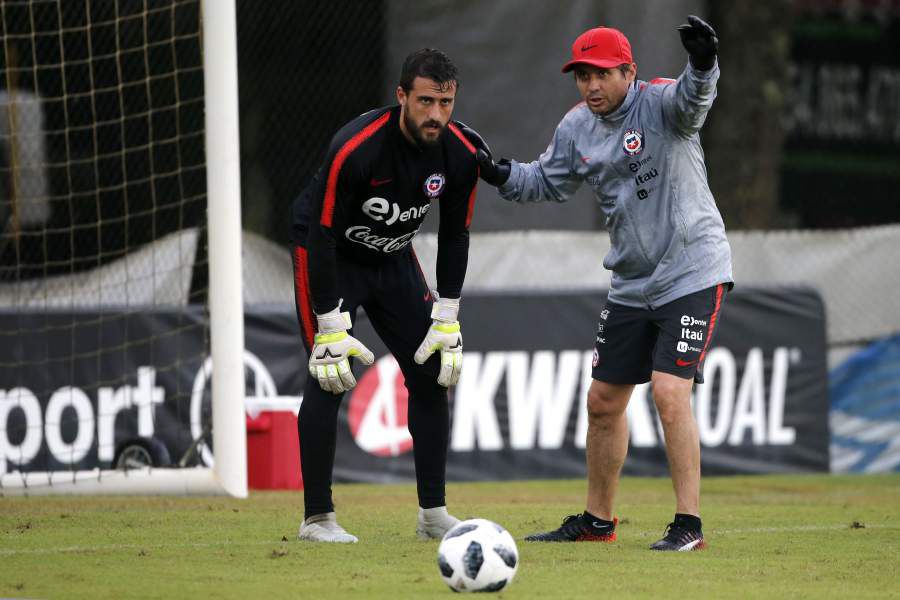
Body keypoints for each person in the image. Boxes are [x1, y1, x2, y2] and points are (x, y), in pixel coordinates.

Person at [467, 16, 733, 551]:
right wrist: (497, 172)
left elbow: (694, 102)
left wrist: (703, 64)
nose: (590, 85)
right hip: (633, 283)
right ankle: (598, 521)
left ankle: (689, 526)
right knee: (603, 401)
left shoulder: (659, 103)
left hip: (691, 270)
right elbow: (544, 181)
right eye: (581, 75)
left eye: (601, 74)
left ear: (628, 73)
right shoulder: (576, 128)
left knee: (668, 391)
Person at [290, 48, 481, 543]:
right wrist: (330, 322)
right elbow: (322, 233)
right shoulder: (356, 147)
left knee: (434, 371)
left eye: (445, 102)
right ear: (401, 97)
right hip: (331, 254)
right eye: (424, 101)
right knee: (328, 373)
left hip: (394, 257)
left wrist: (448, 313)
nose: (436, 114)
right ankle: (317, 519)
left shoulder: (459, 153)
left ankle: (433, 515)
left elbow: (456, 235)